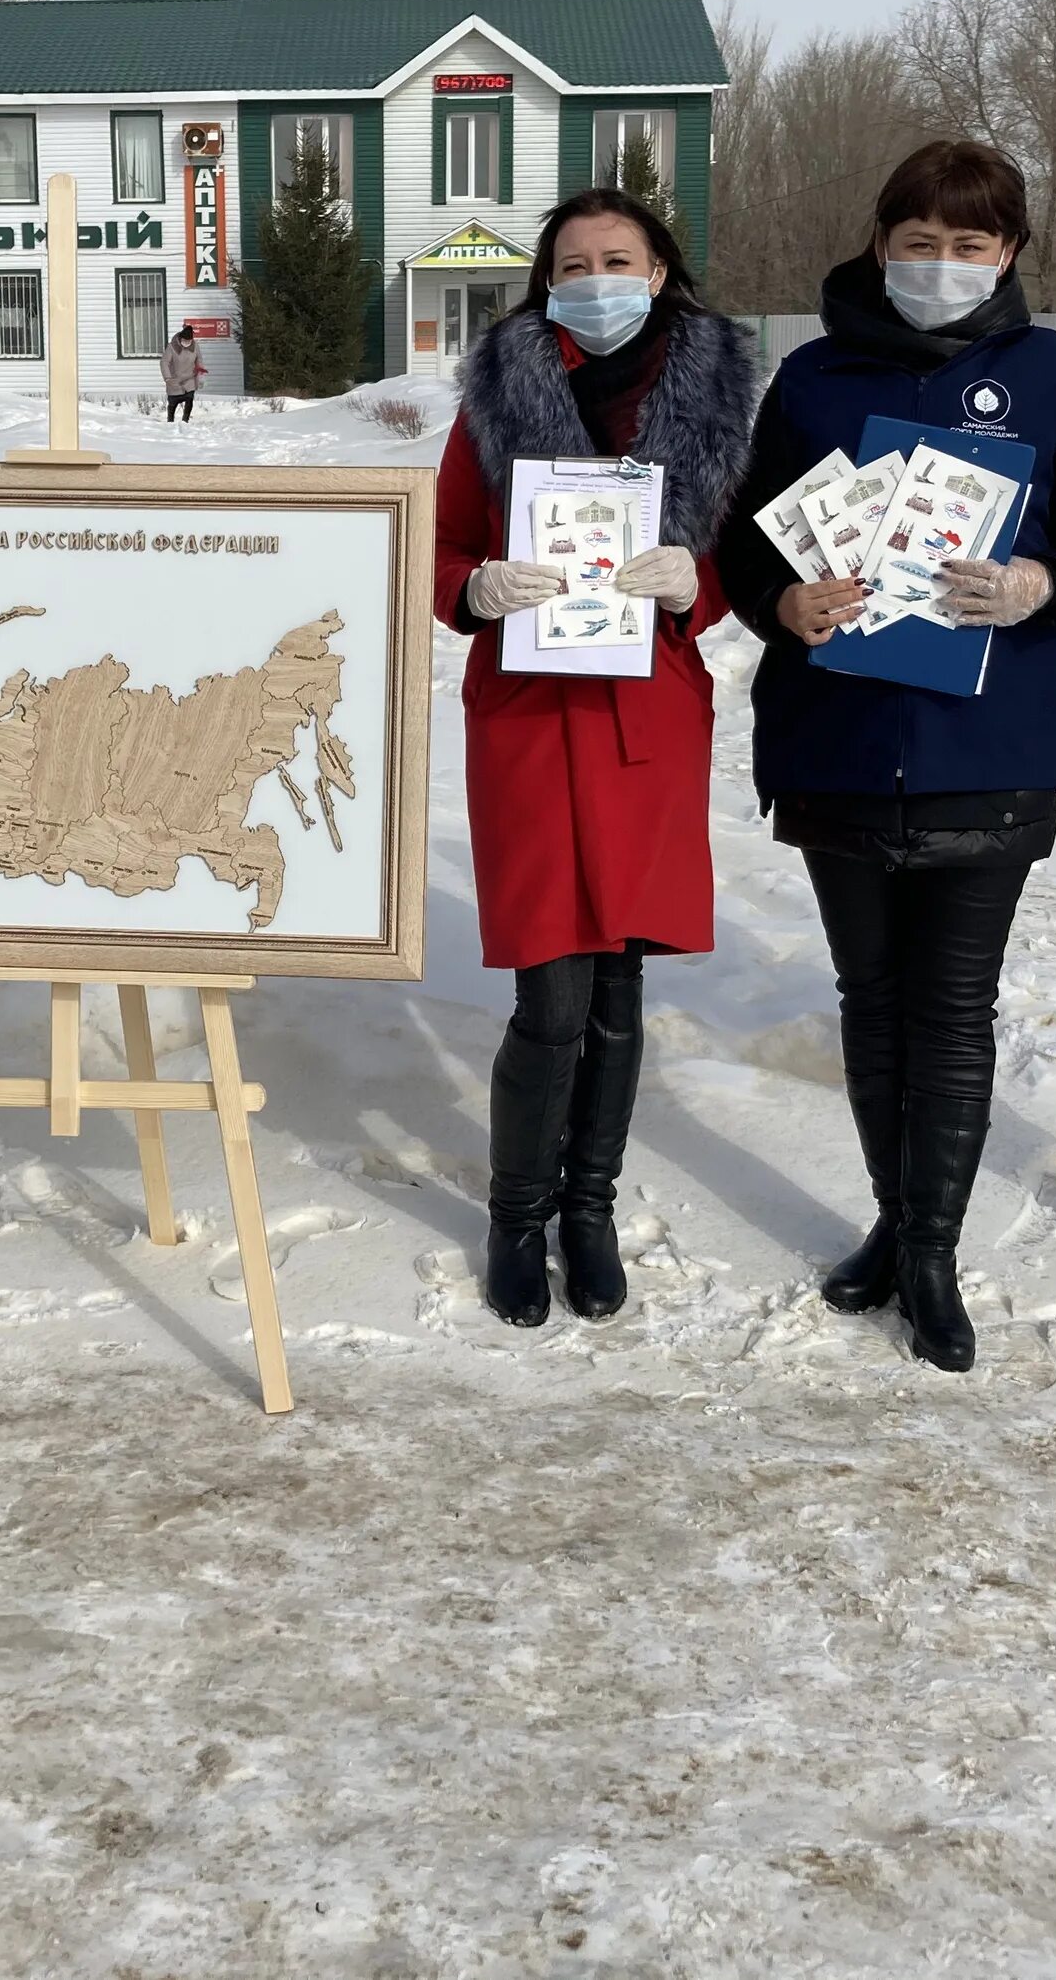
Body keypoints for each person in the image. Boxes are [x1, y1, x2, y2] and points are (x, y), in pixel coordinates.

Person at [711, 141, 1056, 1373]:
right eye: (920, 240)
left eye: (972, 244)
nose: (943, 264)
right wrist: (780, 605)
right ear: (880, 241)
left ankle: (935, 1255)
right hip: (838, 738)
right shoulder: (812, 377)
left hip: (983, 742)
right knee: (869, 1002)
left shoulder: (1051, 373)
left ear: (1008, 254)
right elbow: (746, 543)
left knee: (952, 1010)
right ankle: (893, 1227)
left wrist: (1040, 580)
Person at [432, 186, 757, 1327]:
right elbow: (443, 546)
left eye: (617, 258)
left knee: (618, 989)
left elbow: (741, 557)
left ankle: (591, 1209)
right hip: (529, 715)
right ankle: (517, 1213)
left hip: (644, 720)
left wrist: (695, 583)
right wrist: (471, 588)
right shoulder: (496, 397)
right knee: (553, 996)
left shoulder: (718, 396)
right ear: (546, 283)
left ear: (661, 269)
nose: (595, 279)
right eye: (572, 265)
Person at [160, 324, 202, 421]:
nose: (187, 343)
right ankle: (170, 421)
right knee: (172, 404)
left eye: (189, 341)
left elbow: (199, 361)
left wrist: (200, 378)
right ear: (180, 338)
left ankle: (185, 420)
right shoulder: (172, 347)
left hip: (189, 380)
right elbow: (164, 362)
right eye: (185, 341)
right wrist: (167, 378)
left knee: (189, 399)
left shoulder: (195, 346)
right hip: (175, 381)